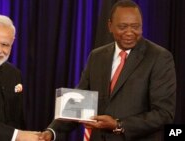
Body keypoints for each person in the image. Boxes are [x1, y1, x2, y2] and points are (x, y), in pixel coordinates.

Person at [40, 0, 176, 141]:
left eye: (135, 27)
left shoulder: (159, 57)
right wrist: (52, 131)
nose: (130, 32)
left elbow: (163, 113)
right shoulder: (97, 57)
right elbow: (79, 102)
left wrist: (119, 125)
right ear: (110, 26)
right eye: (123, 27)